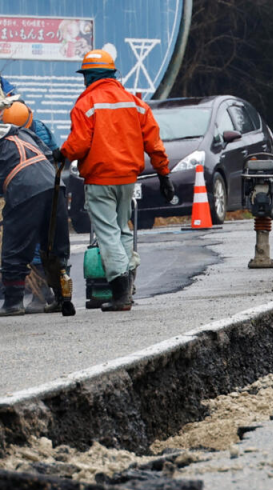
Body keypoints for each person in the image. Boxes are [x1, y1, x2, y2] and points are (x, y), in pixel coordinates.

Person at [54, 49, 175, 312]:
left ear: (91, 76)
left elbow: (78, 144)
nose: (84, 81)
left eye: (85, 75)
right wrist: (164, 174)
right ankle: (129, 281)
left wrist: (61, 153)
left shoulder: (86, 104)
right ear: (111, 74)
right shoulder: (134, 102)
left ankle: (120, 293)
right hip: (127, 179)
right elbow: (153, 142)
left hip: (100, 179)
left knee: (107, 233)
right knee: (121, 230)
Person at [0, 123, 70, 316]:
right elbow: (49, 155)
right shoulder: (23, 132)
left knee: (15, 245)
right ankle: (62, 298)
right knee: (54, 245)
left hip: (25, 188)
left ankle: (13, 303)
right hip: (54, 184)